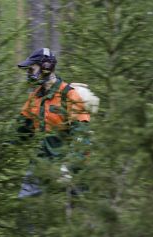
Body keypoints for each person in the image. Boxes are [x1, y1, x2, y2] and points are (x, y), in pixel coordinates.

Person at [16, 48, 98, 198]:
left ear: (46, 67)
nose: (28, 73)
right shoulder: (34, 98)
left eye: (31, 69)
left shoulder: (69, 95)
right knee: (25, 207)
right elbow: (18, 132)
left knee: (78, 210)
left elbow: (81, 136)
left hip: (69, 167)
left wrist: (69, 165)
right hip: (41, 164)